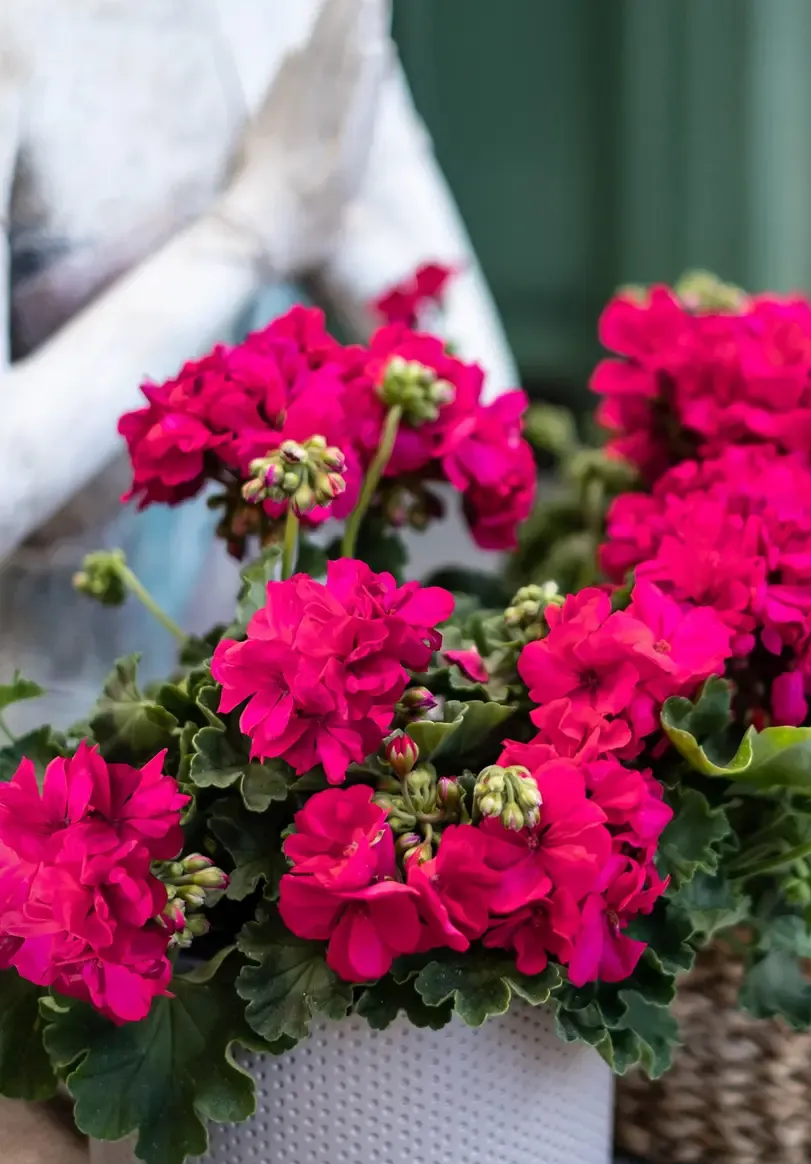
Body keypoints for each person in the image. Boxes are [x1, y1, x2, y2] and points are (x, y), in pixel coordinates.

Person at [0, 0, 516, 725]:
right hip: (42, 720)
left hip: (285, 704)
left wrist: (332, 208)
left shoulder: (292, 13)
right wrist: (252, 229)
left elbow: (485, 422)